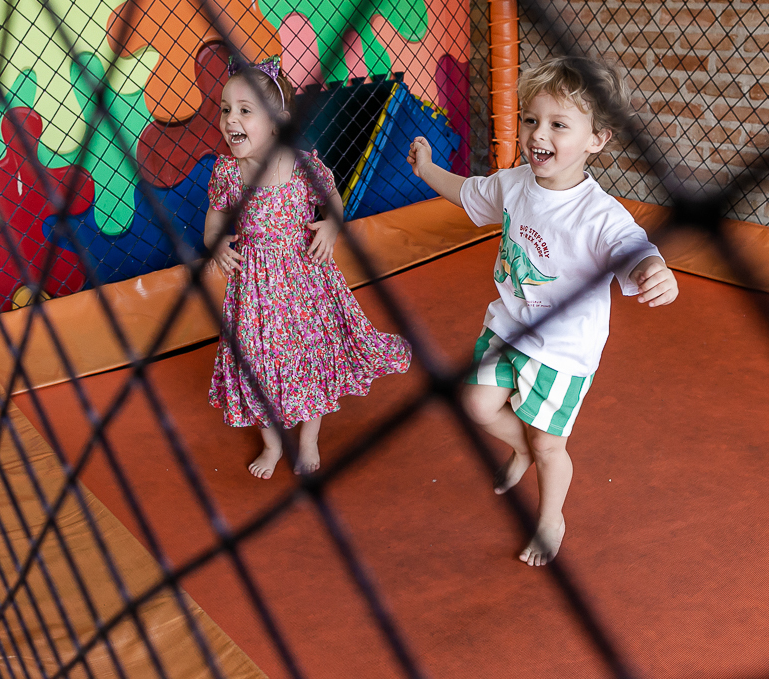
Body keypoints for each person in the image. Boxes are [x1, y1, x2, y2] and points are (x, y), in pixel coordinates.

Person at [407, 56, 678, 566]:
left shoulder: (599, 214)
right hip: (509, 326)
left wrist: (653, 270)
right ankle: (522, 449)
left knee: (551, 443)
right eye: (530, 119)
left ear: (596, 139)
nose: (537, 134)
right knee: (478, 407)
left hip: (562, 351)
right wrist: (426, 169)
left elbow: (633, 246)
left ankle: (551, 515)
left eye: (558, 124)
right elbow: (467, 191)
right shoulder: (513, 184)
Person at [206, 56, 411, 478]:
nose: (231, 120)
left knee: (308, 357)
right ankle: (271, 443)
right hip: (255, 294)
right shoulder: (228, 173)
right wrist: (216, 246)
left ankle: (309, 439)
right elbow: (214, 221)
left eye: (246, 111)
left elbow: (332, 200)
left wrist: (331, 227)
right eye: (226, 109)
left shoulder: (302, 166)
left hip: (304, 287)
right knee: (255, 363)